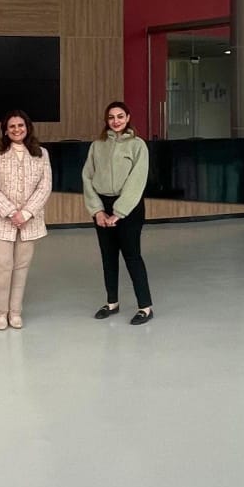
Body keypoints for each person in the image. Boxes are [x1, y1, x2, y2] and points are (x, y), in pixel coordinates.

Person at [0, 110, 52, 329]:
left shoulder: (41, 153)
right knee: (0, 268)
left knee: (21, 268)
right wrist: (12, 212)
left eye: (20, 125)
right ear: (5, 130)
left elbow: (45, 186)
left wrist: (26, 213)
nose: (17, 129)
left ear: (27, 127)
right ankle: (0, 313)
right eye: (12, 126)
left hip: (29, 222)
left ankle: (15, 312)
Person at [81, 100, 153, 325]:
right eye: (111, 117)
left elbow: (137, 180)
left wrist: (119, 212)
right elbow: (87, 177)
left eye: (120, 116)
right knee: (108, 255)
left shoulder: (138, 145)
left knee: (132, 256)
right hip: (102, 206)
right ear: (107, 120)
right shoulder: (97, 146)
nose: (116, 121)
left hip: (129, 207)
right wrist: (97, 211)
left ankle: (145, 306)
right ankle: (112, 302)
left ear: (128, 118)